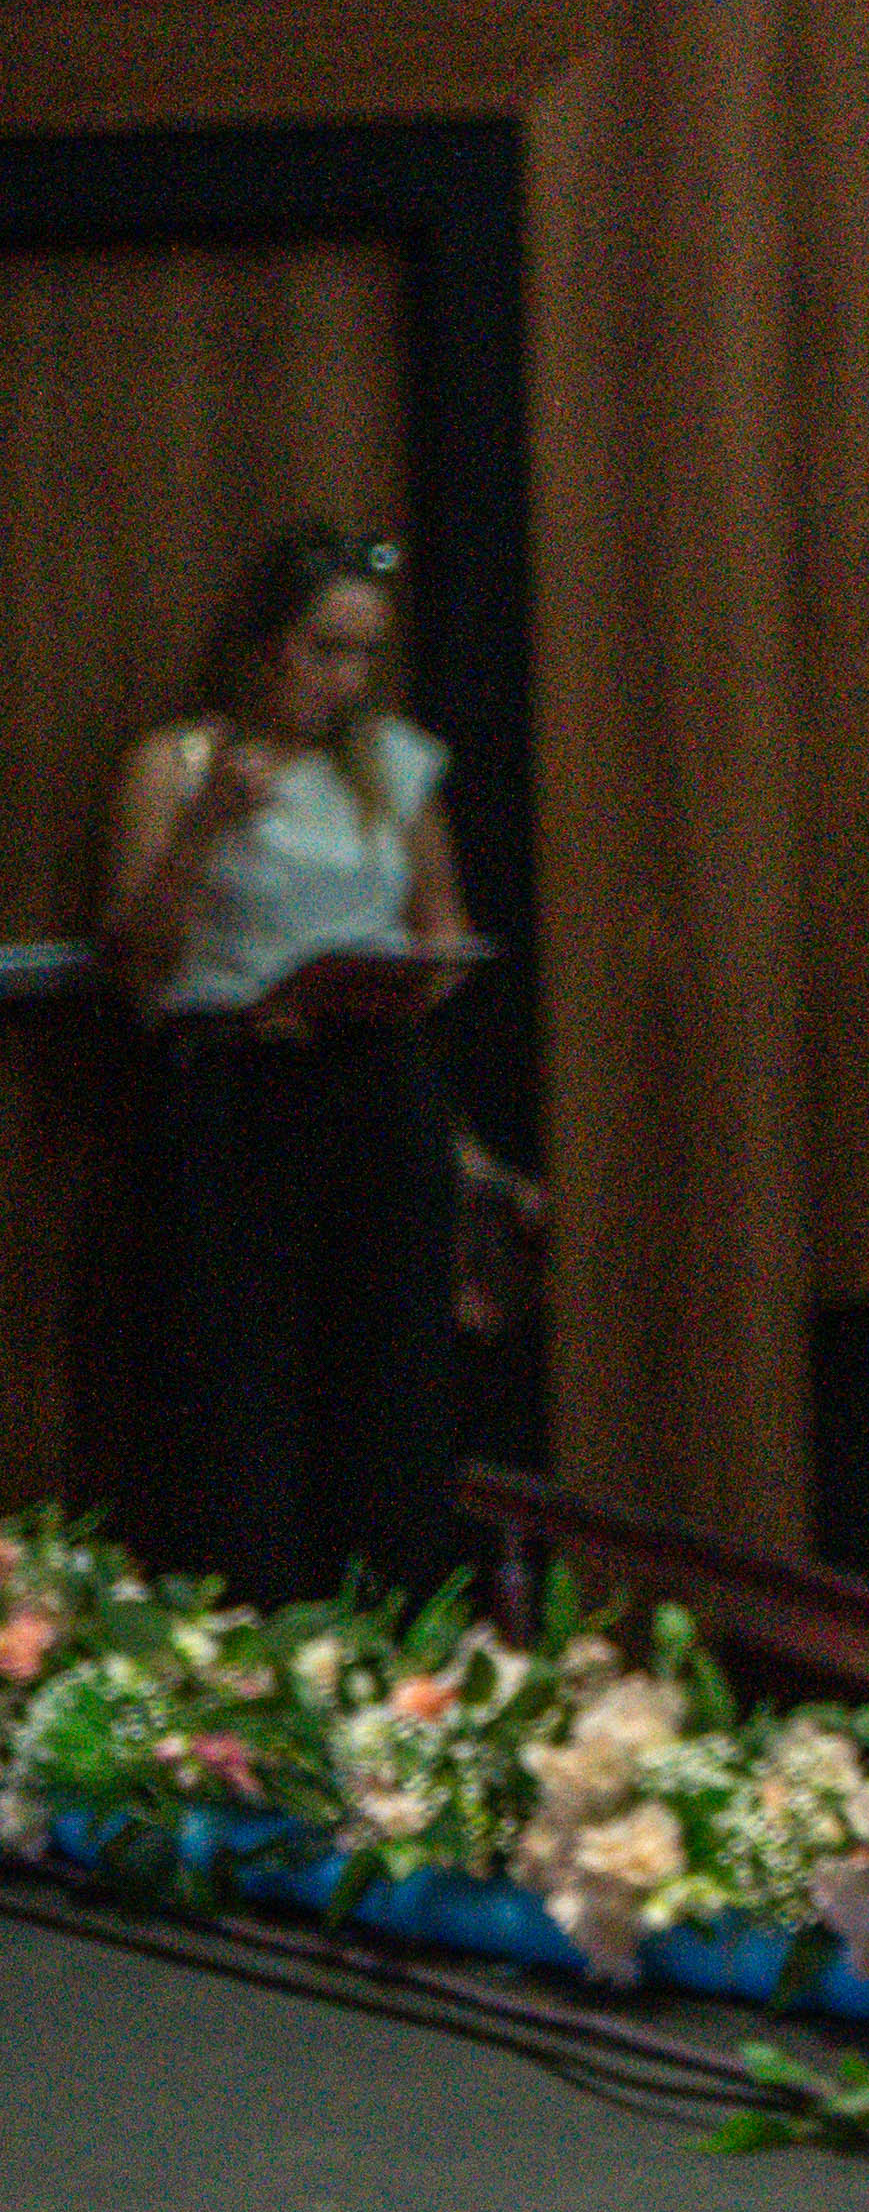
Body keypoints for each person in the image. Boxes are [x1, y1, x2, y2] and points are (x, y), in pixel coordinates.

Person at [100, 524, 472, 1608]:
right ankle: (247, 1620)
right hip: (234, 1085)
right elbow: (136, 955)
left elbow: (441, 923)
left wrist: (409, 975)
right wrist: (204, 830)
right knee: (235, 1378)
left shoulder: (393, 766)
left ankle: (395, 1620)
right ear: (264, 646)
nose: (344, 680)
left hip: (370, 1076)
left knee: (390, 1369)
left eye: (364, 655)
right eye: (324, 650)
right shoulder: (176, 764)